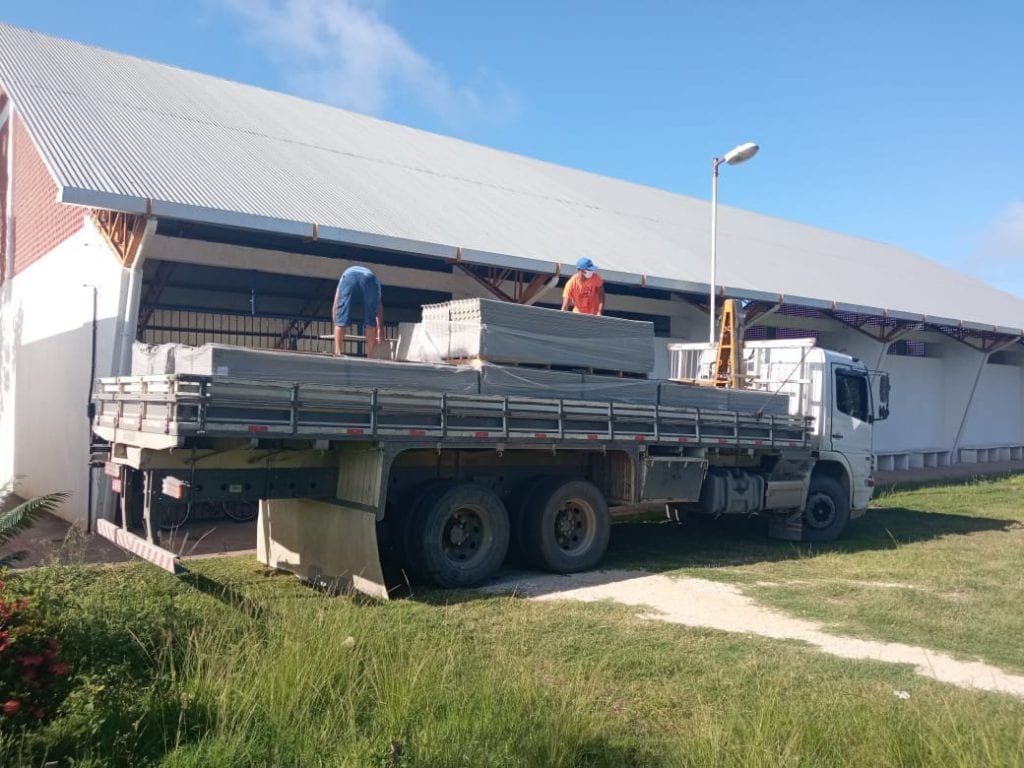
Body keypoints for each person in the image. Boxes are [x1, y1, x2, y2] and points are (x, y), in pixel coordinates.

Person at [333, 265, 384, 357]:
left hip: (349, 277)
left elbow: (336, 304)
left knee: (342, 314)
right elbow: (378, 306)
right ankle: (370, 356)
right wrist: (380, 328)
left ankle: (338, 352)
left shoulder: (343, 279)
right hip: (369, 278)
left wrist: (336, 322)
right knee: (370, 319)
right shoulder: (376, 282)